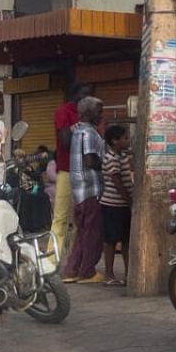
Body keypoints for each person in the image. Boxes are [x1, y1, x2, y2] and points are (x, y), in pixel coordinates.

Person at [63, 97, 106, 284]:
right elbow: (90, 160)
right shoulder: (88, 132)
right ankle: (87, 271)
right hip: (90, 187)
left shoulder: (76, 130)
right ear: (88, 113)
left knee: (82, 231)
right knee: (92, 232)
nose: (101, 115)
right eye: (99, 111)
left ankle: (72, 270)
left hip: (78, 188)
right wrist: (107, 161)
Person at [54, 83, 92, 259]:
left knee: (81, 219)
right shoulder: (64, 112)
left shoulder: (88, 114)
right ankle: (51, 259)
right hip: (67, 170)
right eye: (85, 94)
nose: (88, 98)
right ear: (75, 94)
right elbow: (65, 141)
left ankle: (75, 260)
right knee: (60, 217)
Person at [100, 125, 133, 286]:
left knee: (126, 240)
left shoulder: (123, 156)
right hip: (112, 204)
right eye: (125, 138)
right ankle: (109, 274)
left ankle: (129, 273)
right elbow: (118, 183)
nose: (127, 141)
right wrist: (130, 200)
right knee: (111, 241)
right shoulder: (111, 158)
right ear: (114, 141)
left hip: (123, 205)